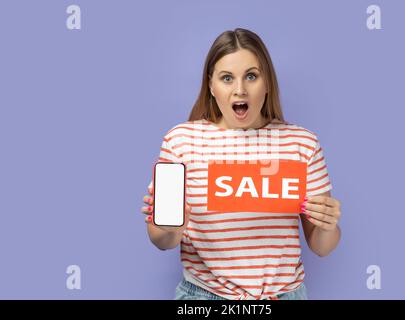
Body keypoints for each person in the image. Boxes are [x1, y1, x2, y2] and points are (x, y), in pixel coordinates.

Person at [141, 28, 342, 300]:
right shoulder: (181, 141)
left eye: (251, 76)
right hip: (204, 298)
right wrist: (168, 229)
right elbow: (162, 241)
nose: (240, 90)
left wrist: (327, 225)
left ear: (267, 82)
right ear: (211, 86)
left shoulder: (301, 143)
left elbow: (321, 246)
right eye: (226, 78)